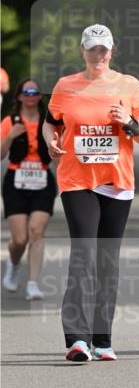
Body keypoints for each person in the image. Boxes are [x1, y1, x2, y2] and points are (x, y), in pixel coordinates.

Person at [42, 24, 139, 362]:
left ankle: (102, 339)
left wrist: (128, 123)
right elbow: (51, 121)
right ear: (83, 51)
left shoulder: (130, 87)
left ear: (112, 51)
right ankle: (77, 339)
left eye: (103, 49)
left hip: (117, 183)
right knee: (84, 255)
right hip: (78, 181)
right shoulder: (66, 86)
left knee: (107, 263)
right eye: (92, 49)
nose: (98, 55)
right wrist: (50, 141)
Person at [1, 78, 57, 299]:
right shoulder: (9, 121)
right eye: (27, 92)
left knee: (36, 231)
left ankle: (33, 283)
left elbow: (59, 151)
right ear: (19, 96)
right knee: (20, 239)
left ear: (39, 96)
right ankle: (13, 265)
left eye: (35, 92)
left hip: (43, 180)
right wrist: (10, 136)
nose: (31, 96)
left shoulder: (49, 122)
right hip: (15, 181)